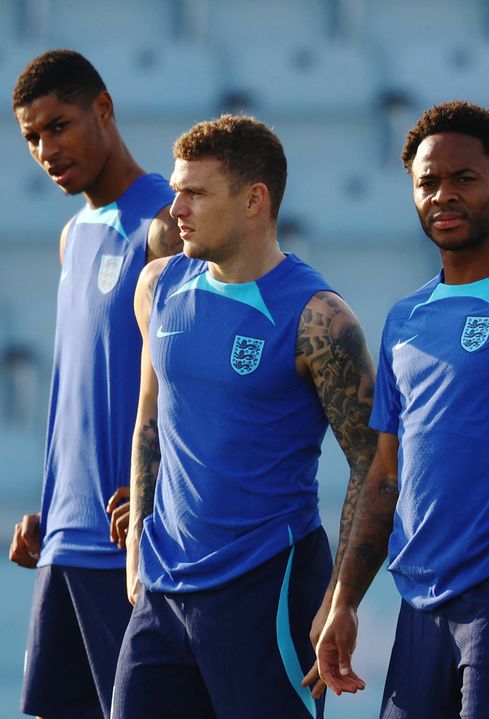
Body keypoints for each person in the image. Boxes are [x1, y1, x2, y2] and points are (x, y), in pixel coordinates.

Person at [313, 100, 489, 718]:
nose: (443, 194)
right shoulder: (404, 319)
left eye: (463, 178)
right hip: (419, 598)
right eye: (428, 182)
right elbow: (384, 474)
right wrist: (344, 598)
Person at [111, 115, 378, 719]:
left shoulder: (319, 319)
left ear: (255, 200)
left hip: (267, 588)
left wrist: (341, 596)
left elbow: (374, 463)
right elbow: (148, 419)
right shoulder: (158, 285)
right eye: (177, 190)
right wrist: (135, 554)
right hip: (162, 587)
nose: (175, 207)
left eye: (196, 193)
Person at [7, 49, 181, 719]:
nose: (46, 149)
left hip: (127, 541)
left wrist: (154, 492)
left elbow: (183, 381)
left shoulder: (167, 223)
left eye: (59, 126)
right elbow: (80, 386)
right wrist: (50, 507)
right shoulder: (72, 235)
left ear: (103, 110)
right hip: (65, 540)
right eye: (31, 137)